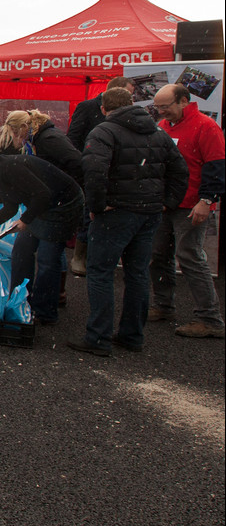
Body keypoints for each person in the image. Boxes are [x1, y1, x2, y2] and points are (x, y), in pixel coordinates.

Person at [67, 87, 187, 356]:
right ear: (132, 103)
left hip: (116, 212)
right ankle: (133, 335)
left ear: (103, 108)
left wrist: (96, 207)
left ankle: (98, 338)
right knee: (137, 273)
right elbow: (180, 168)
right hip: (149, 212)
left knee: (100, 273)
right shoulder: (158, 132)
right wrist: (167, 202)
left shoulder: (104, 132)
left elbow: (93, 171)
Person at [0, 138, 83, 324]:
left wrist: (25, 219)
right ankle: (19, 302)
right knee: (21, 251)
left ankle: (45, 311)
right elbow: (10, 207)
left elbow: (44, 194)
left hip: (63, 205)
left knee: (47, 260)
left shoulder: (10, 167)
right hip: (41, 206)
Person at [150, 83, 226, 338]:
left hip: (191, 204)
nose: (161, 112)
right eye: (158, 107)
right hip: (166, 204)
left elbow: (216, 166)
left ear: (183, 101)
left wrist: (207, 200)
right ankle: (163, 306)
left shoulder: (206, 126)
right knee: (158, 254)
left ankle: (210, 319)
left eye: (165, 107)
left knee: (190, 257)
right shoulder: (164, 126)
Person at [67, 76, 136, 151]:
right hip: (90, 156)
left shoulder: (126, 110)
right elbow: (73, 136)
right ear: (115, 90)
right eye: (127, 93)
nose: (129, 98)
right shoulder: (87, 106)